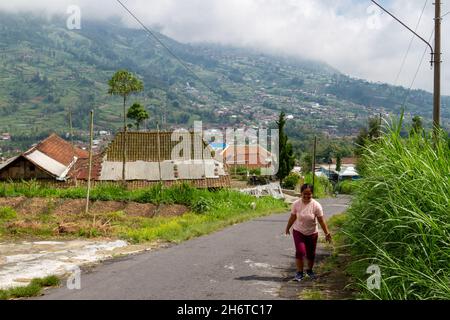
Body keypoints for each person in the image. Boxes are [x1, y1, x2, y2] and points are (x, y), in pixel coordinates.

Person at [285, 184, 332, 282]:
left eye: (309, 194)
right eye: (304, 194)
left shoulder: (316, 205)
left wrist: (327, 233)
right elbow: (292, 217)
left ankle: (309, 271)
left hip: (312, 233)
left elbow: (321, 221)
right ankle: (299, 273)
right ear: (301, 193)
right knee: (300, 252)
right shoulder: (296, 204)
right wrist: (287, 228)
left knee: (311, 254)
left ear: (312, 194)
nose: (306, 196)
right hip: (299, 231)